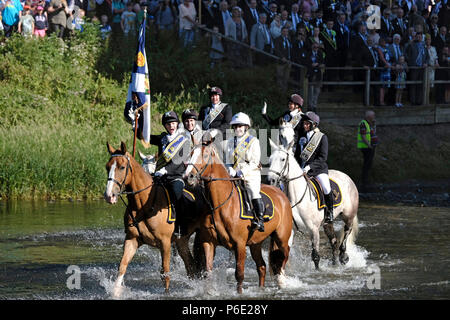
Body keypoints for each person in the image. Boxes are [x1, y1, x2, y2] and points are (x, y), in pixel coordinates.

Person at [150, 111, 191, 237]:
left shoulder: (184, 140)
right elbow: (146, 137)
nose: (171, 126)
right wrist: (136, 125)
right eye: (168, 124)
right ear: (165, 126)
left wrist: (165, 170)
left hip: (175, 176)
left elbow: (178, 161)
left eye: (173, 123)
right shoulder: (162, 138)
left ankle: (179, 225)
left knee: (177, 193)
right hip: (159, 177)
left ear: (177, 124)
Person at [224, 112, 265, 232]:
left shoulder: (253, 141)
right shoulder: (230, 142)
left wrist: (242, 172)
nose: (238, 128)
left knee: (253, 191)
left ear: (246, 127)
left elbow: (254, 162)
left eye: (240, 126)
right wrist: (229, 168)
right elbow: (227, 160)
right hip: (233, 174)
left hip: (250, 174)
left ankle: (260, 219)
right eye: (236, 126)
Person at [298, 112, 333, 224]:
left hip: (318, 170)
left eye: (307, 124)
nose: (305, 125)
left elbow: (323, 157)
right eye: (304, 123)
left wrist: (309, 167)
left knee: (326, 188)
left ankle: (329, 212)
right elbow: (298, 155)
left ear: (314, 125)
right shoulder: (302, 137)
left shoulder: (322, 137)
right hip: (302, 169)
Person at [357, 110, 378, 191]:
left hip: (370, 147)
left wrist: (374, 124)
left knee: (369, 164)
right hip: (366, 147)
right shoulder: (363, 123)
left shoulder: (370, 124)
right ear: (369, 116)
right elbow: (363, 136)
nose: (374, 117)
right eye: (373, 115)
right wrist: (369, 145)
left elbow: (373, 133)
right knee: (367, 164)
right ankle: (364, 182)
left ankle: (367, 180)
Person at [306, 42, 325, 113]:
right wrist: (312, 65)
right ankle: (310, 106)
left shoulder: (320, 53)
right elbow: (306, 62)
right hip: (311, 74)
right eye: (314, 47)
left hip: (318, 75)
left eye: (317, 47)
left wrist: (317, 64)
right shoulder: (308, 53)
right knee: (310, 91)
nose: (315, 49)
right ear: (312, 47)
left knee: (317, 91)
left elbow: (322, 62)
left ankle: (314, 106)